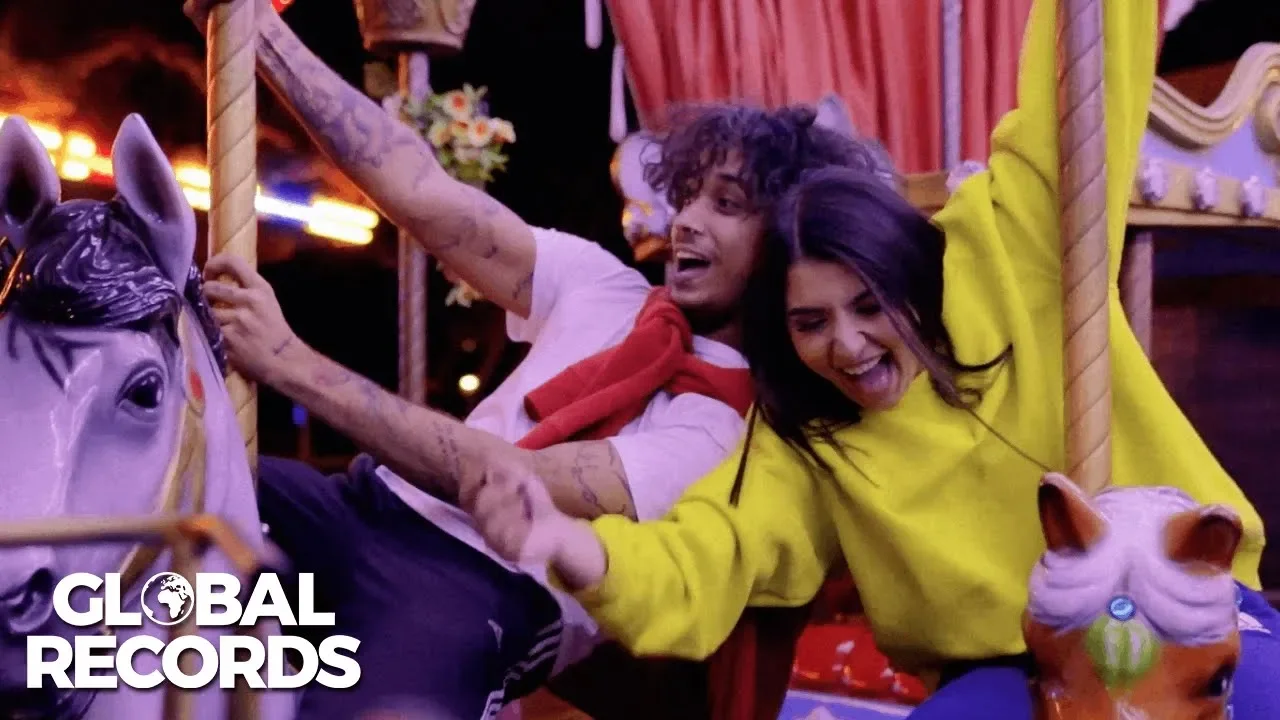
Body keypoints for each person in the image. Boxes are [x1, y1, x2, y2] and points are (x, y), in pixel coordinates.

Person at [464, 0, 1280, 717]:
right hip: (1006, 669)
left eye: (867, 305)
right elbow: (704, 556)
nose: (847, 347)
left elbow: (1078, 87)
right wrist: (569, 544)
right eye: (810, 322)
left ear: (908, 276)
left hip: (1185, 605)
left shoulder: (1011, 252)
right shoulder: (804, 438)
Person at [183, 1, 881, 717]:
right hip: (366, 505)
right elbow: (420, 191)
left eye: (726, 205)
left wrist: (292, 364)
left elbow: (505, 482)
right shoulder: (604, 285)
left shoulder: (725, 435)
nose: (687, 220)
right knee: (157, 491)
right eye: (690, 196)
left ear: (786, 242)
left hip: (474, 588)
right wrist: (257, 33)